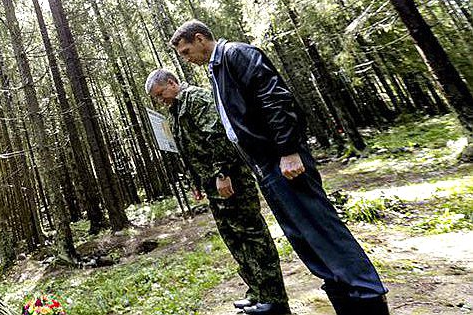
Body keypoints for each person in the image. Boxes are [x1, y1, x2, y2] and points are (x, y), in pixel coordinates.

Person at [169, 19, 389, 315]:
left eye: (186, 51)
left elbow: (275, 100)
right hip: (265, 166)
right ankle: (344, 298)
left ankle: (367, 300)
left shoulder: (237, 55)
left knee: (322, 231)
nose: (186, 59)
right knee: (303, 237)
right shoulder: (217, 70)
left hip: (282, 161)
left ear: (199, 38)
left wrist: (288, 150)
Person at [145, 69, 290, 315]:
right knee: (235, 239)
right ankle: (256, 292)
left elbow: (218, 136)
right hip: (213, 185)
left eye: (161, 94)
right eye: (157, 98)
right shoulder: (176, 112)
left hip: (231, 180)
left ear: (172, 83)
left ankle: (275, 299)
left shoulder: (197, 99)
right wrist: (196, 181)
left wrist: (222, 173)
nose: (161, 100)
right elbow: (190, 150)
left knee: (252, 235)